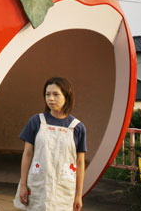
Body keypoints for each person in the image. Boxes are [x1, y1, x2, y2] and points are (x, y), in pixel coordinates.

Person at [13, 77, 87, 211]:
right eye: (47, 94)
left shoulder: (77, 127)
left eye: (56, 94)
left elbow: (80, 162)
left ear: (67, 96)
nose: (51, 99)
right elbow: (27, 154)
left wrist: (78, 195)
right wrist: (23, 184)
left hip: (63, 189)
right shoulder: (36, 121)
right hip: (37, 185)